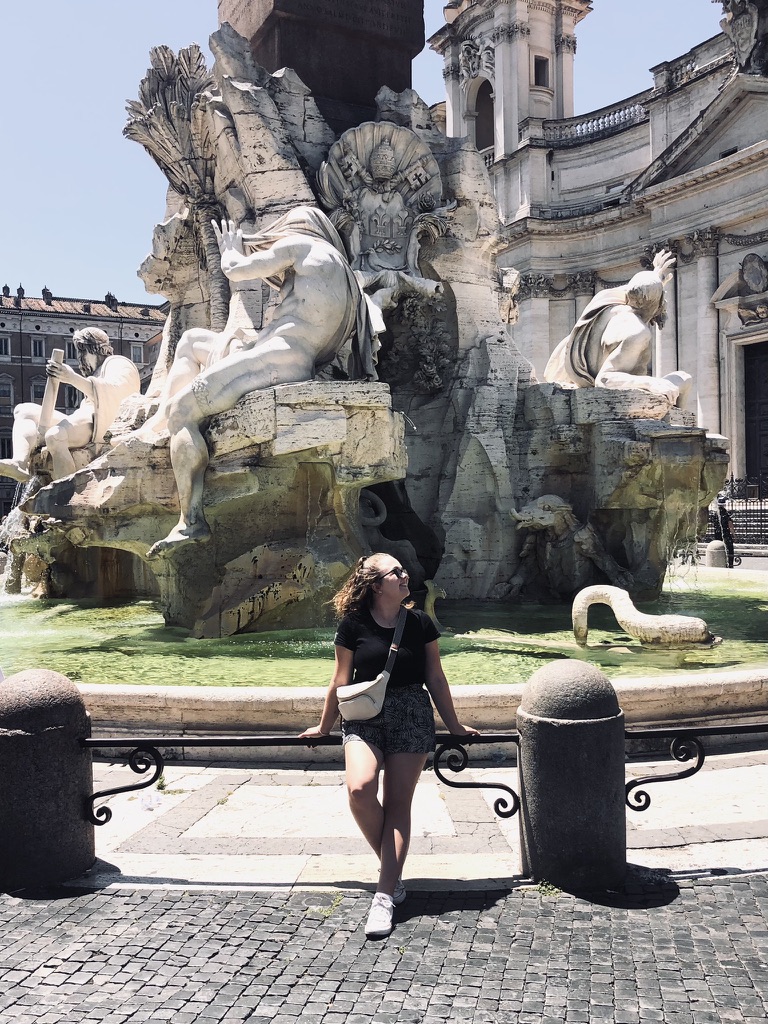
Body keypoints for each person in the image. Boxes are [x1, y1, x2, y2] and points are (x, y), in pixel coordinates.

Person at [143, 206, 380, 559]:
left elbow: (237, 270)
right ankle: (159, 421)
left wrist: (230, 249)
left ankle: (190, 520)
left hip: (278, 356)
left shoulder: (302, 246)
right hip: (291, 358)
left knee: (182, 412)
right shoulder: (346, 279)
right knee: (194, 340)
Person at [299, 553, 478, 940]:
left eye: (403, 570)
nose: (404, 575)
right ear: (377, 585)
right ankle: (392, 872)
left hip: (412, 713)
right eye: (394, 572)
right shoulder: (353, 626)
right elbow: (339, 680)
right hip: (364, 717)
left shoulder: (420, 623)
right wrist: (323, 726)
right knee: (359, 790)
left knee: (398, 804)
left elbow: (436, 677)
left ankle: (385, 895)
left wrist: (454, 725)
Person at [544, 250, 692, 405]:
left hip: (582, 377)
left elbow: (635, 290)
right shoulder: (638, 333)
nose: (665, 304)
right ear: (656, 302)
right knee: (684, 378)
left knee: (682, 379)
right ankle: (674, 422)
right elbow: (605, 379)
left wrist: (655, 276)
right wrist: (651, 383)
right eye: (663, 297)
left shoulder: (607, 303)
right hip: (620, 397)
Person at [0, 328, 140, 483]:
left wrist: (72, 378)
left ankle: (64, 495)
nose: (80, 358)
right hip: (83, 418)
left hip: (100, 422)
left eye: (82, 352)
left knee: (55, 436)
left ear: (95, 349)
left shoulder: (118, 363)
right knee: (23, 410)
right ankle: (19, 463)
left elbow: (117, 393)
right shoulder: (96, 373)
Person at [713, 494, 736, 568]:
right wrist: (734, 535)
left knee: (719, 549)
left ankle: (719, 564)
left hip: (717, 535)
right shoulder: (726, 513)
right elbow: (730, 525)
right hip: (726, 535)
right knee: (729, 550)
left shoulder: (715, 514)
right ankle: (730, 564)